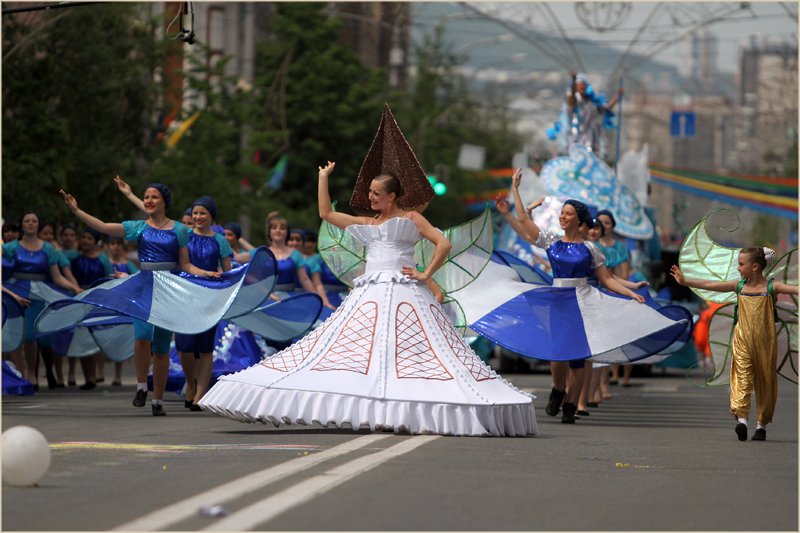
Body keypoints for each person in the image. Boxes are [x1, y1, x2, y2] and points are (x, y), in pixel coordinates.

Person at [199, 105, 536, 436]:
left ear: (391, 196)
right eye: (371, 192)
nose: (370, 197)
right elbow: (326, 214)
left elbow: (443, 244)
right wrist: (322, 179)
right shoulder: (365, 222)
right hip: (371, 289)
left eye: (376, 194)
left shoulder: (411, 218)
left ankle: (401, 407)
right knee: (359, 347)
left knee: (406, 351)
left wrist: (424, 273)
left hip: (405, 288)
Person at [670, 247, 797, 441]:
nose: (737, 268)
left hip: (766, 344)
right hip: (742, 341)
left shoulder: (772, 288)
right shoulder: (739, 286)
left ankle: (761, 426)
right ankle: (742, 421)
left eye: (740, 264)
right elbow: (709, 284)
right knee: (742, 377)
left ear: (754, 267)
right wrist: (685, 281)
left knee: (765, 381)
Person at [3, 212, 83, 389]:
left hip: (37, 293)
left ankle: (32, 373)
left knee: (30, 335)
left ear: (38, 225)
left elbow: (57, 277)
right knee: (13, 333)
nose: (30, 223)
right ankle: (20, 376)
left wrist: (74, 288)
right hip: (15, 291)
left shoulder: (47, 248)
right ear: (22, 226)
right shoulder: (12, 246)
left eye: (34, 221)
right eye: (27, 221)